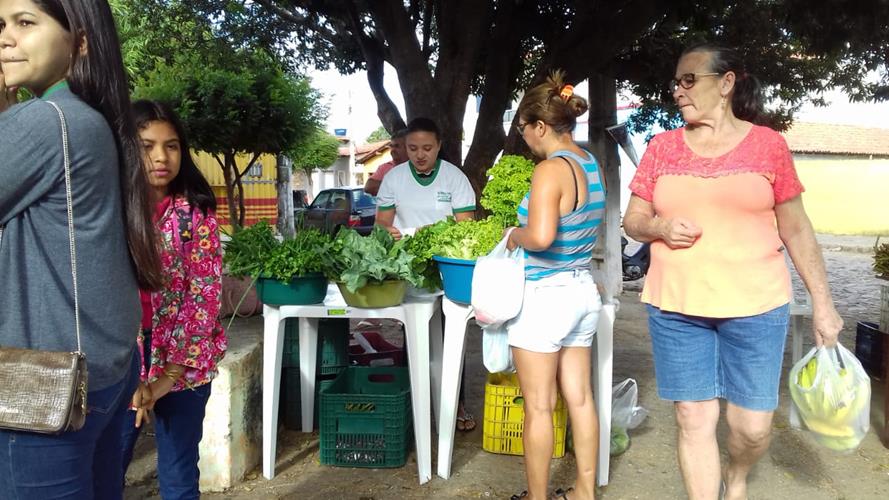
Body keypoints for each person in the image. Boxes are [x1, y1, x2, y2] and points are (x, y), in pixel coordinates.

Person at [623, 43, 843, 500]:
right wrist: (660, 226)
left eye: (689, 81)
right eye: (675, 84)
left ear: (725, 84)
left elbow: (797, 229)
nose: (678, 92)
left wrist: (823, 304)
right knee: (693, 417)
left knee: (752, 429)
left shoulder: (768, 146)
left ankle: (737, 475)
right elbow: (633, 221)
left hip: (756, 307)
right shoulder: (661, 148)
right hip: (677, 305)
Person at [0, 0, 164, 498]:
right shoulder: (92, 119)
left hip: (46, 385)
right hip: (103, 372)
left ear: (82, 40)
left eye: (25, 23)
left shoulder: (48, 119)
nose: (5, 38)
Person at [505, 70, 604, 500]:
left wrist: (514, 235)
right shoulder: (590, 162)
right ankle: (584, 491)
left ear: (540, 126)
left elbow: (541, 237)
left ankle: (537, 497)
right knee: (580, 399)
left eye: (523, 128)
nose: (523, 137)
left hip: (546, 297)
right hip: (583, 290)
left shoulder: (549, 171)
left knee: (539, 406)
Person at [121, 100, 227, 499]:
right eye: (146, 146)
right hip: (119, 363)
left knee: (179, 471)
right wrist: (132, 377)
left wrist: (167, 377)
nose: (161, 157)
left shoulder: (196, 216)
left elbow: (204, 299)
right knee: (106, 469)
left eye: (172, 145)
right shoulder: (107, 211)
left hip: (184, 362)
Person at [375, 116, 479, 431]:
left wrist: (438, 232)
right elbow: (381, 223)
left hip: (448, 269)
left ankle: (455, 405)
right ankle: (415, 406)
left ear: (439, 147)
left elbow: (467, 227)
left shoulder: (454, 178)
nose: (420, 154)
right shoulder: (393, 178)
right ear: (404, 148)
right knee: (414, 335)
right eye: (413, 148)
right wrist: (388, 231)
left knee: (452, 337)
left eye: (427, 148)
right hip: (409, 268)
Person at [364, 128, 408, 196]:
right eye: (391, 146)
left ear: (409, 148)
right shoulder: (385, 167)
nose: (393, 150)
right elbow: (369, 187)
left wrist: (385, 186)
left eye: (397, 146)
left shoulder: (418, 166)